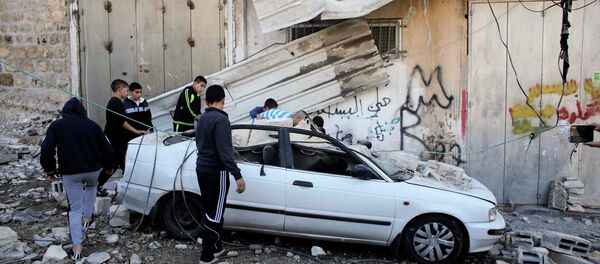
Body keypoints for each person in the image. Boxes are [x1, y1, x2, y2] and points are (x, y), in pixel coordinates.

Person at [40, 98, 116, 260]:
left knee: (74, 209)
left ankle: (77, 247)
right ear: (82, 111)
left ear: (65, 112)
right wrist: (110, 166)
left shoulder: (57, 126)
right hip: (93, 170)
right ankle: (87, 218)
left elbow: (46, 149)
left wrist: (50, 169)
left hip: (70, 172)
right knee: (91, 188)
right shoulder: (92, 125)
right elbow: (107, 148)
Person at [195, 85, 246, 264]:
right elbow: (225, 152)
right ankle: (206, 256)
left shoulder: (202, 119)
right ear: (223, 100)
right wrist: (237, 175)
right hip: (217, 172)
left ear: (207, 100)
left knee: (212, 210)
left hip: (202, 169)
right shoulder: (221, 120)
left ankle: (217, 248)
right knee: (215, 214)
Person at [98, 79, 145, 193]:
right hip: (115, 139)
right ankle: (96, 186)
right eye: (126, 90)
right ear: (120, 89)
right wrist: (135, 131)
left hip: (118, 139)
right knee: (114, 164)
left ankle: (125, 188)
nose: (127, 93)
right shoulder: (115, 103)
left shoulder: (116, 102)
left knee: (120, 164)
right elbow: (122, 121)